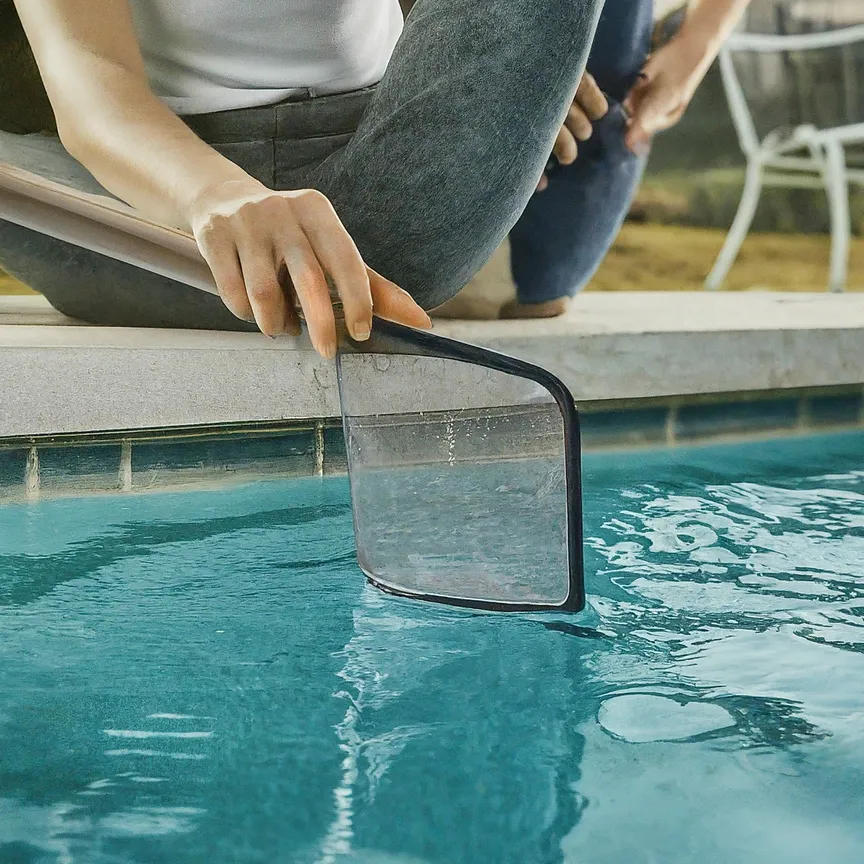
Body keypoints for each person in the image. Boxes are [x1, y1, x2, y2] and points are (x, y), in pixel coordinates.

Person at [1, 0, 749, 357]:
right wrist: (217, 194)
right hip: (158, 192)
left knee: (383, 254)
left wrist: (507, 76)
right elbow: (94, 86)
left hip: (384, 167)